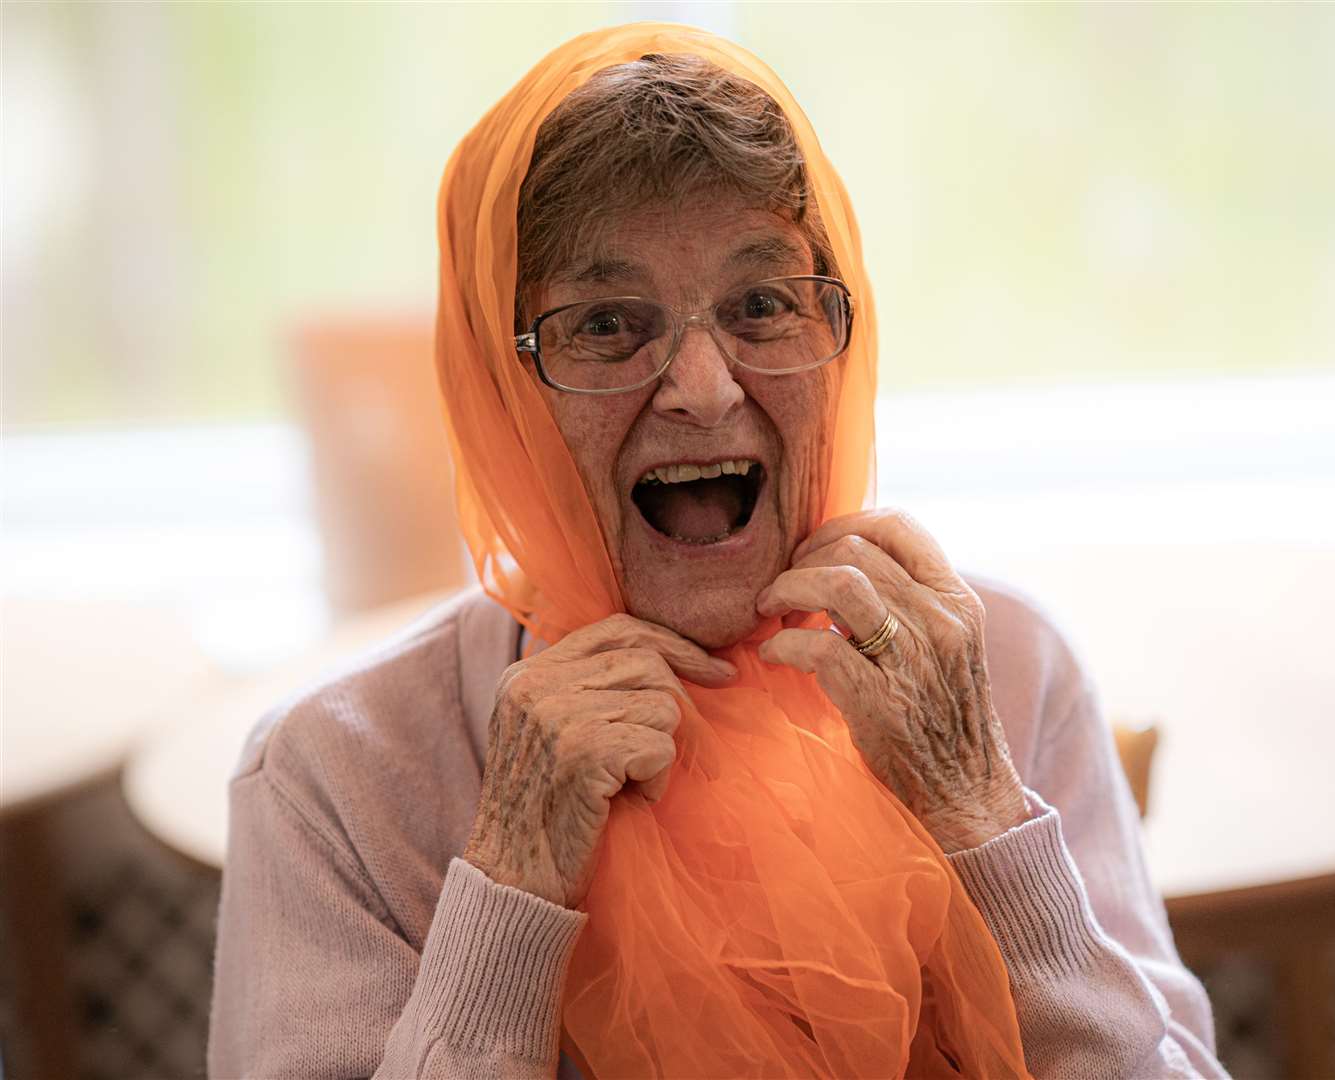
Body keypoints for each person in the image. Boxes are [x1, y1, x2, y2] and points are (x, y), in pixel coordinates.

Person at [208, 23, 1226, 1079]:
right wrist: (508, 880)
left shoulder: (997, 669)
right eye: (606, 323)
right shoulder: (334, 782)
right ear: (501, 387)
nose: (704, 387)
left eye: (761, 306)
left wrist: (981, 813)